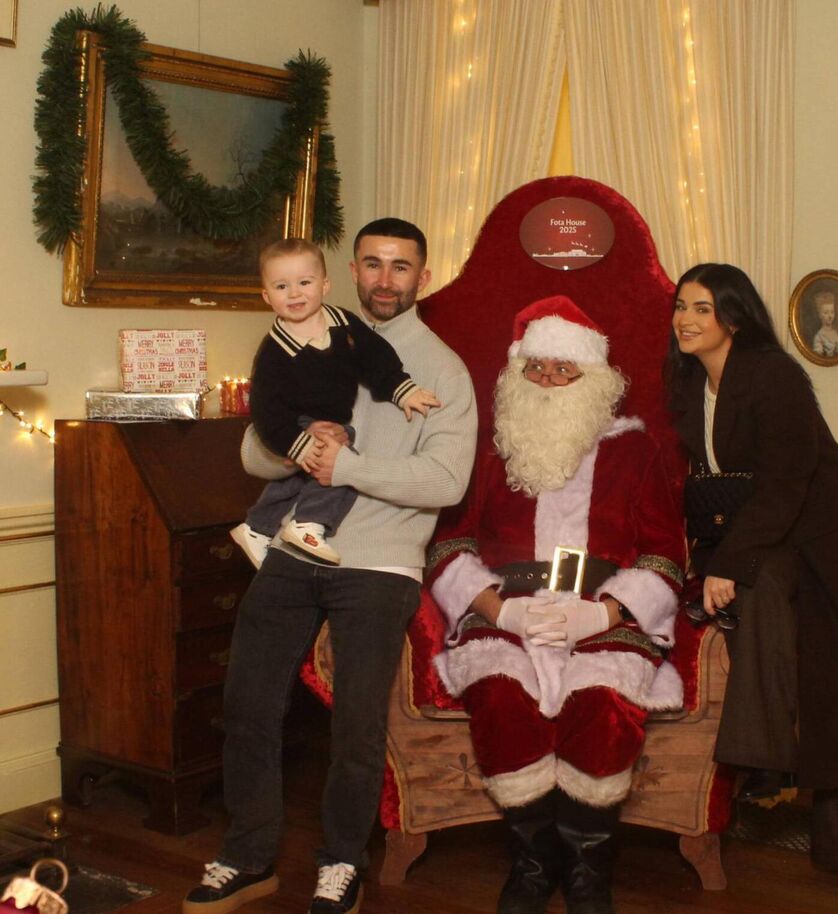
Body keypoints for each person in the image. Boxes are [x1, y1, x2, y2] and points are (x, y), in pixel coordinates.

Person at [183, 219, 478, 914]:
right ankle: (248, 855)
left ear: (422, 278)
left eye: (400, 267)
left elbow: (445, 482)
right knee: (248, 704)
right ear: (350, 270)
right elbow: (255, 452)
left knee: (356, 726)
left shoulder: (441, 370)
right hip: (295, 546)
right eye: (372, 264)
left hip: (379, 562)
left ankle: (341, 861)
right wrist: (297, 448)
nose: (384, 279)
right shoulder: (312, 336)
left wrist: (344, 463)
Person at [427, 295, 685, 914]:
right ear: (517, 373)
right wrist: (499, 610)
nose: (547, 381)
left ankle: (589, 868)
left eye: (562, 369)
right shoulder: (490, 451)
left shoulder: (634, 453)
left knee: (602, 705)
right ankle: (535, 864)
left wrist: (603, 613)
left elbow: (664, 555)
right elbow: (449, 544)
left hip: (602, 609)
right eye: (535, 368)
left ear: (592, 377)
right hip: (508, 606)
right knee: (500, 695)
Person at [666, 263, 838, 899]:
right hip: (765, 540)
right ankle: (763, 763)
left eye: (702, 308)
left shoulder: (774, 375)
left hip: (826, 542)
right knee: (760, 612)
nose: (686, 319)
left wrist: (725, 563)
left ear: (734, 317)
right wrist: (714, 558)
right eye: (681, 306)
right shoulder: (688, 381)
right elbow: (714, 484)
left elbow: (785, 485)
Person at [229, 238, 440, 567]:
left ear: (325, 285)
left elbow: (376, 359)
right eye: (282, 286)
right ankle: (310, 523)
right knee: (340, 464)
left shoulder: (342, 324)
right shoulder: (274, 351)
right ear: (267, 296)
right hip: (292, 423)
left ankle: (256, 528)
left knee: (300, 478)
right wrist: (295, 443)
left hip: (334, 420)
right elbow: (265, 411)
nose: (295, 293)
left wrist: (403, 389)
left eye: (305, 282)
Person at [809, 291, 838, 358]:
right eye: (826, 313)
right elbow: (818, 358)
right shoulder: (819, 337)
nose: (830, 316)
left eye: (832, 312)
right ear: (819, 315)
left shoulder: (836, 332)